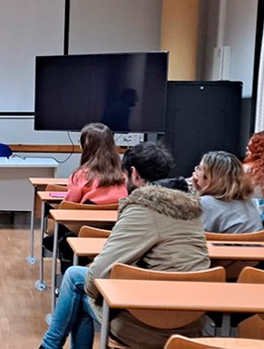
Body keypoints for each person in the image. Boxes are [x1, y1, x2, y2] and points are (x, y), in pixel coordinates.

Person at [40, 142, 210, 349]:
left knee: (76, 280)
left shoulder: (143, 209)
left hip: (151, 321)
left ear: (134, 174)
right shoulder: (188, 208)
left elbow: (96, 278)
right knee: (79, 282)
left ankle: (48, 346)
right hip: (193, 318)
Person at [191, 151, 262, 234]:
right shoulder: (251, 203)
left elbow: (192, 235)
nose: (195, 172)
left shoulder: (204, 203)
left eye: (199, 168)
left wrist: (196, 194)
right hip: (259, 242)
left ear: (208, 177)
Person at [65, 123, 127, 205]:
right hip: (117, 213)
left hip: (86, 213)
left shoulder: (79, 175)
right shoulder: (123, 175)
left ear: (84, 147)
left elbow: (69, 204)